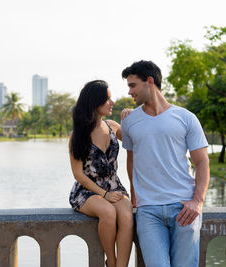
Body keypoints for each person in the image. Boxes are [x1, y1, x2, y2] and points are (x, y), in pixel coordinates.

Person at [121, 60, 210, 267]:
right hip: (148, 211)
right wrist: (135, 199)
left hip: (184, 207)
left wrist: (197, 201)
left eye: (132, 85)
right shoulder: (130, 121)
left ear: (149, 81)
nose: (129, 92)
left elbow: (202, 162)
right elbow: (131, 161)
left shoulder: (186, 118)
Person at [69, 80, 133, 267]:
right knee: (108, 212)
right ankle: (111, 263)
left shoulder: (112, 126)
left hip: (114, 187)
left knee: (127, 216)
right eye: (106, 99)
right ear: (94, 102)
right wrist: (104, 194)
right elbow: (78, 174)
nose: (111, 102)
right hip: (87, 190)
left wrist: (132, 117)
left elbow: (137, 138)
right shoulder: (78, 134)